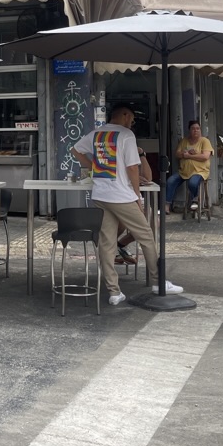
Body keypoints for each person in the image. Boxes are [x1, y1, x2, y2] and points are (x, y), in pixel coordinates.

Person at [72, 103, 183, 305]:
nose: (132, 122)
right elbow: (133, 168)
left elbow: (75, 150)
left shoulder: (96, 134)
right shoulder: (126, 135)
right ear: (123, 115)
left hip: (101, 195)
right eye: (131, 117)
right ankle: (158, 282)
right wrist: (137, 195)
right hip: (121, 196)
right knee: (147, 236)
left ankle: (114, 292)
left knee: (107, 243)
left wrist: (94, 166)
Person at [164, 119, 212, 214]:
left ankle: (195, 199)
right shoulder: (184, 141)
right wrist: (184, 153)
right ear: (189, 130)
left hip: (199, 171)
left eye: (198, 128)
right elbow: (177, 154)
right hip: (184, 171)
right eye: (193, 129)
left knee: (193, 183)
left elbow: (205, 156)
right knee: (170, 181)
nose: (196, 130)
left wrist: (190, 156)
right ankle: (167, 205)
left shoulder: (205, 141)